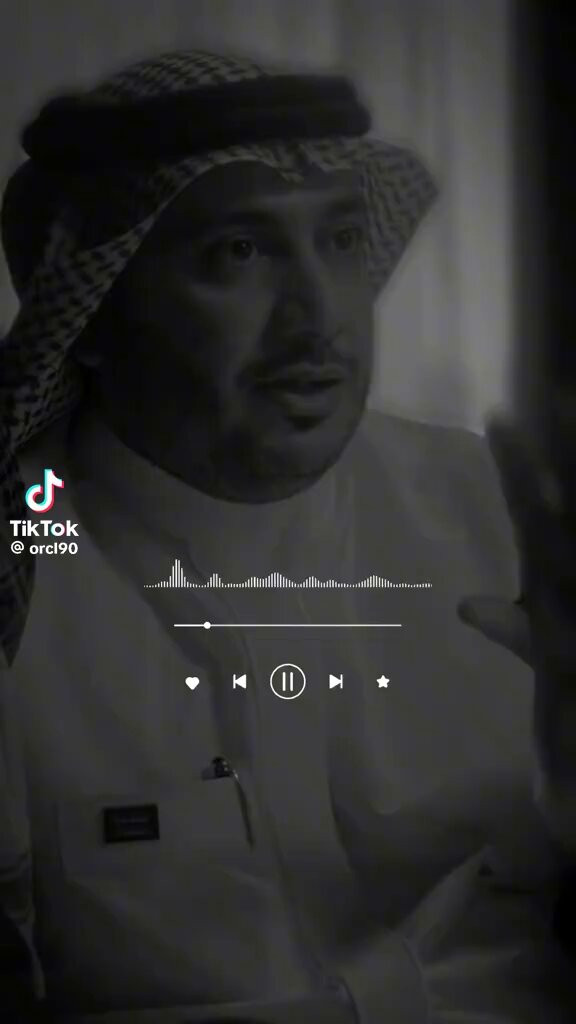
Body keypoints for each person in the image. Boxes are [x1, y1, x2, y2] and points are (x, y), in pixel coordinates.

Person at [0, 48, 574, 1024]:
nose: (320, 321)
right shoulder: (23, 571)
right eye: (239, 252)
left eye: (341, 240)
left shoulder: (502, 514)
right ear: (92, 313)